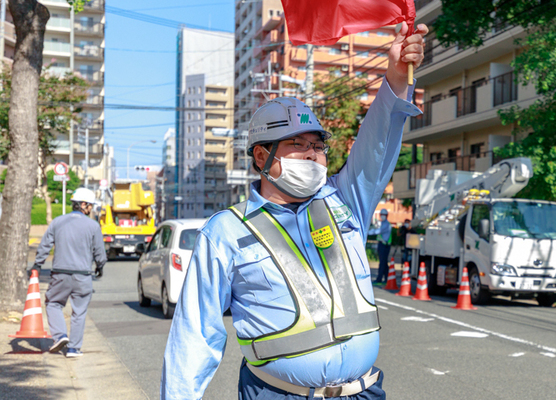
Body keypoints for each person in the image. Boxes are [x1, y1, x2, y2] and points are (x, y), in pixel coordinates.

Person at [161, 22, 428, 400]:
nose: (312, 154)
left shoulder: (344, 199)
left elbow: (378, 143)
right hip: (278, 394)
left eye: (317, 145)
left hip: (363, 392)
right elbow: (195, 335)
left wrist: (397, 78)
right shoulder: (225, 231)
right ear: (261, 156)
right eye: (297, 144)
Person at [31, 187, 106, 358]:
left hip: (60, 274)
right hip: (83, 275)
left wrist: (37, 265)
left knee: (53, 303)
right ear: (84, 204)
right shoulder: (93, 226)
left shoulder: (58, 222)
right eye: (90, 206)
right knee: (79, 311)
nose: (91, 209)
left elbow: (44, 246)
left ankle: (60, 336)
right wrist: (100, 267)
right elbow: (100, 253)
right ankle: (73, 349)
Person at [372, 209, 392, 284]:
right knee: (384, 262)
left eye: (384, 215)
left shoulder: (386, 224)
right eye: (382, 214)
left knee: (382, 263)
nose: (382, 216)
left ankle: (379, 279)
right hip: (382, 244)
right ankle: (387, 278)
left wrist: (368, 232)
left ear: (386, 216)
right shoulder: (382, 223)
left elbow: (378, 231)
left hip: (385, 245)